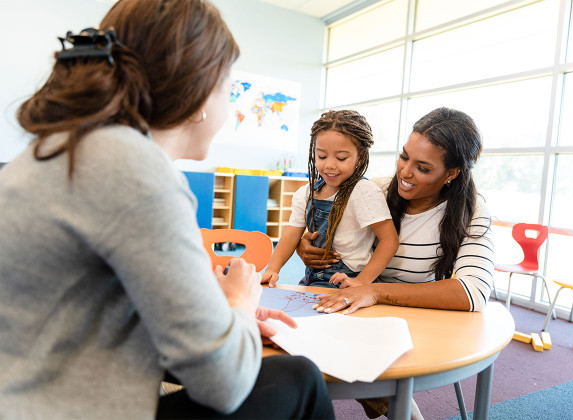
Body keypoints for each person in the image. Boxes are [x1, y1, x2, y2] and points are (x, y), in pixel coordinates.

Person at [0, 1, 334, 419]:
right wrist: (241, 306)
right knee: (297, 378)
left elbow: (87, 312)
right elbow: (224, 383)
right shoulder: (133, 169)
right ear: (199, 94)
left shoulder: (61, 149)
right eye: (227, 89)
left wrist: (218, 312)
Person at [298, 107, 493, 315]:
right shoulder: (374, 191)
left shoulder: (472, 212)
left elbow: (474, 292)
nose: (405, 172)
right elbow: (335, 232)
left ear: (451, 173)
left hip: (412, 314)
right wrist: (306, 246)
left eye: (423, 168)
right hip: (353, 304)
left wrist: (375, 291)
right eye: (404, 156)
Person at [261, 110, 398, 289]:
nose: (330, 165)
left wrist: (361, 281)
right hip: (313, 279)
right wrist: (273, 268)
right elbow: (291, 235)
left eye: (341, 158)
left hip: (347, 279)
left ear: (361, 156)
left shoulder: (364, 192)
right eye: (322, 156)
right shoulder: (307, 192)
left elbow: (389, 241)